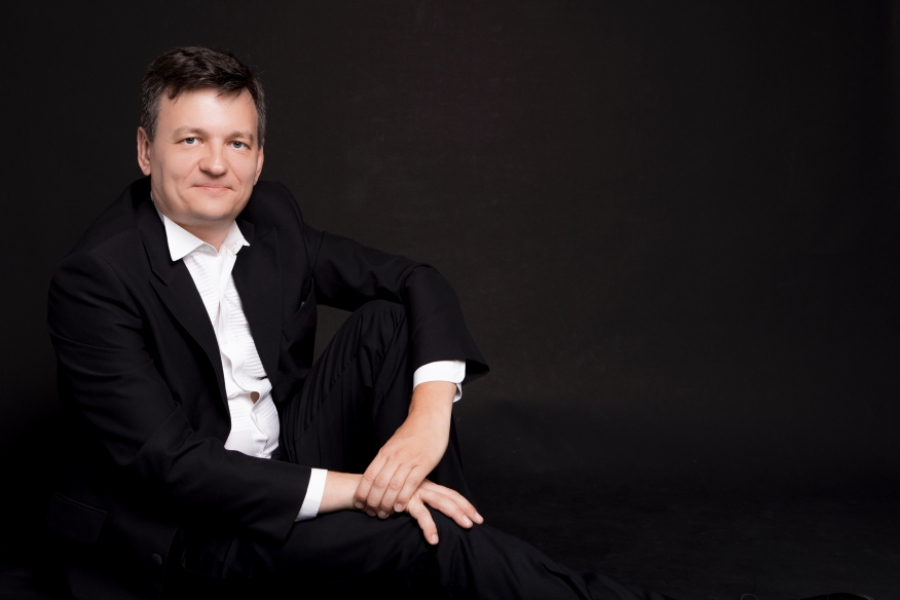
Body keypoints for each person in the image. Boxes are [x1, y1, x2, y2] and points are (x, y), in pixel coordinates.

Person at [45, 46, 867, 600]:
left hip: (288, 454)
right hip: (196, 530)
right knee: (425, 538)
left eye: (237, 143)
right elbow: (171, 467)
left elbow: (415, 280)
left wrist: (426, 421)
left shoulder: (274, 218)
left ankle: (449, 550)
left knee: (389, 326)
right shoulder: (97, 278)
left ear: (259, 156)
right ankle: (454, 553)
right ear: (147, 151)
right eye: (191, 139)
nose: (216, 164)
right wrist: (367, 490)